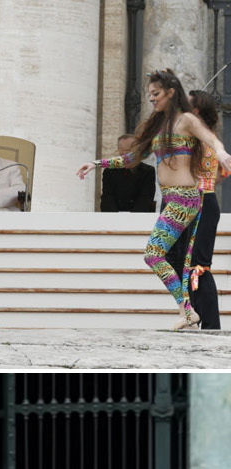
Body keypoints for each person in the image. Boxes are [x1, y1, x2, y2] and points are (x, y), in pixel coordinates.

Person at [78, 68, 231, 329]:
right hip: (171, 201)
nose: (151, 98)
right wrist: (97, 163)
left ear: (171, 93)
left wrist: (221, 153)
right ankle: (188, 312)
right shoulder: (160, 125)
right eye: (149, 94)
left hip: (186, 198)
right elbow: (132, 157)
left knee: (154, 254)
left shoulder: (186, 120)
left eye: (156, 93)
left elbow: (211, 138)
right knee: (172, 259)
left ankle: (188, 311)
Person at [166, 91, 227, 330]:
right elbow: (221, 174)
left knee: (199, 266)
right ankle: (194, 314)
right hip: (197, 200)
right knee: (181, 261)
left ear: (197, 110)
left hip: (200, 202)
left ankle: (209, 324)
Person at [99, 135, 156, 212]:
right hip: (114, 217)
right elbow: (107, 197)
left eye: (128, 149)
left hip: (139, 217)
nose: (124, 153)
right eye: (121, 149)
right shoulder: (109, 171)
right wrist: (114, 217)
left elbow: (146, 197)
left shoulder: (148, 171)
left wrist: (131, 219)